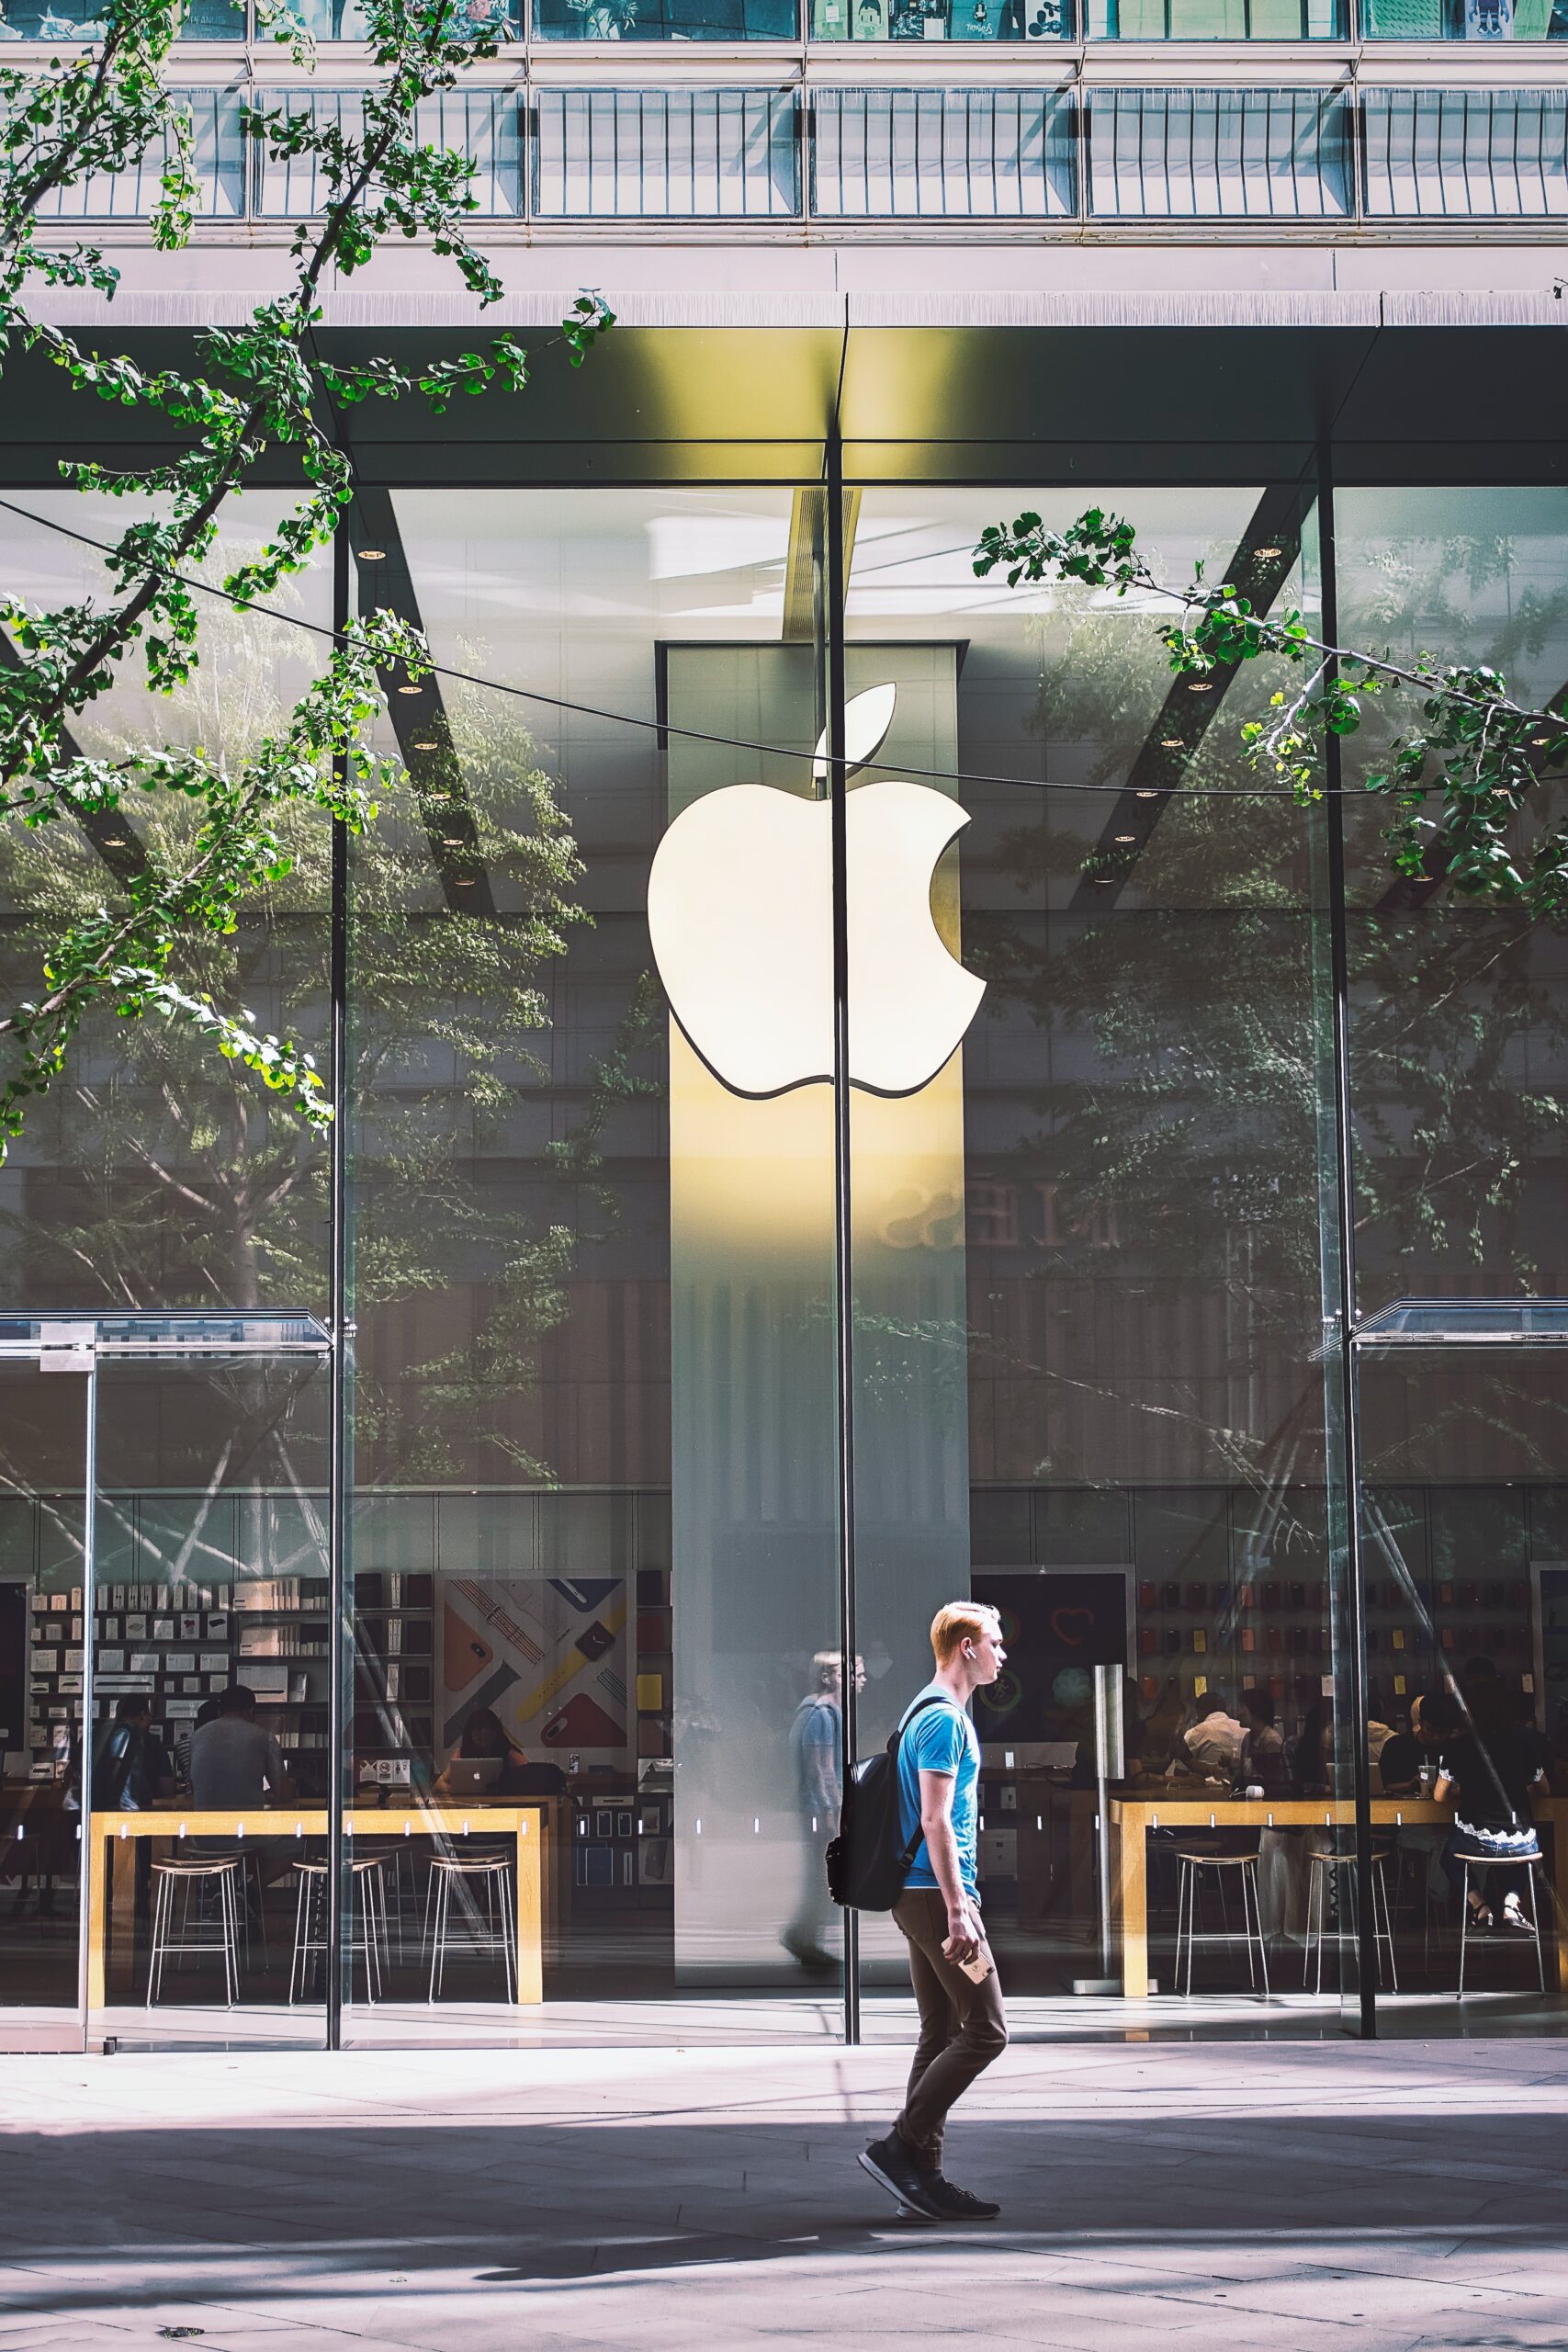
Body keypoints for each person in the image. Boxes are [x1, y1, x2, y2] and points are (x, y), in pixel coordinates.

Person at [859, 1602, 1008, 2227]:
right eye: (995, 1643)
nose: (1003, 1654)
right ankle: (899, 2147)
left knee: (941, 2031)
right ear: (966, 1647)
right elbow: (935, 1818)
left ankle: (921, 2175)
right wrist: (957, 1909)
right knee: (987, 2030)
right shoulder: (944, 1720)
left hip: (918, 1894)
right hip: (933, 1895)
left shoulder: (923, 1709)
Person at [1434, 1677, 1546, 1934]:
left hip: (1476, 1840)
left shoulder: (1459, 1745)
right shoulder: (1524, 1743)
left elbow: (1440, 1796)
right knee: (1524, 1855)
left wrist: (1471, 1787)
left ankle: (1480, 1906)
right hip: (1520, 1839)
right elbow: (1544, 1789)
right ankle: (1511, 1903)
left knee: (1449, 1857)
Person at [782, 1649, 862, 1973]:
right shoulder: (821, 1714)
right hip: (820, 1811)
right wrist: (833, 1815)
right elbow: (821, 1770)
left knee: (822, 1879)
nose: (859, 1680)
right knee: (824, 1879)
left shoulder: (821, 1711)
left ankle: (805, 1938)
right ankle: (803, 1938)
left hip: (819, 1809)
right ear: (828, 1677)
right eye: (851, 1673)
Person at [189, 1683, 293, 1808]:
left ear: (219, 1711)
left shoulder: (197, 1736)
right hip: (246, 1822)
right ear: (251, 1711)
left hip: (203, 1822)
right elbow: (283, 1793)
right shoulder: (264, 1737)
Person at [90, 1694, 175, 1812]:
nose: (150, 1719)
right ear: (142, 1714)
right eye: (148, 1715)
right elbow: (167, 1788)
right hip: (137, 1812)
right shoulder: (151, 1742)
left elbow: (72, 1774)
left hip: (92, 1812)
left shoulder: (92, 1735)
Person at [434, 1704, 534, 1796]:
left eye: (488, 1739)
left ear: (496, 1735)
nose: (484, 1744)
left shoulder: (509, 1753)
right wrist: (454, 1789)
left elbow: (532, 1777)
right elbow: (439, 1784)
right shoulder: (462, 1753)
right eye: (479, 1740)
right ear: (470, 1737)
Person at [1169, 1689, 1245, 1784]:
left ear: (1200, 1711)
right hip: (1242, 1790)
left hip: (1204, 1792)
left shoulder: (1195, 1732)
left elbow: (1180, 1772)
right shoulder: (1245, 1729)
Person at [1235, 1687, 1291, 1797]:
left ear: (1255, 1710)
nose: (1238, 1713)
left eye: (1242, 1707)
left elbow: (1273, 1783)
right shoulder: (1248, 1737)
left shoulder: (1272, 1741)